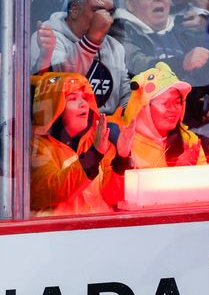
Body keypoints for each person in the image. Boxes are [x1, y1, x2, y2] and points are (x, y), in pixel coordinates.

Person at [30, 72, 134, 216]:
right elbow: (54, 190)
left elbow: (112, 196)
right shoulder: (35, 146)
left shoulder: (97, 140)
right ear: (52, 108)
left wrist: (121, 161)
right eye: (72, 99)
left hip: (100, 231)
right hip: (56, 235)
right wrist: (93, 155)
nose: (83, 104)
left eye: (85, 98)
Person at [31, 0, 131, 116]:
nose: (106, 19)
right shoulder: (47, 38)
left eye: (110, 12)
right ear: (74, 10)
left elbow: (126, 96)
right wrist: (92, 40)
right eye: (98, 10)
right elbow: (63, 86)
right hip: (65, 129)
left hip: (107, 128)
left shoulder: (115, 47)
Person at [122, 61, 207, 168]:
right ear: (145, 108)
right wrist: (122, 159)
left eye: (177, 102)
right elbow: (111, 183)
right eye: (166, 103)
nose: (173, 109)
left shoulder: (190, 140)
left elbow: (207, 181)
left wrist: (189, 174)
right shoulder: (125, 141)